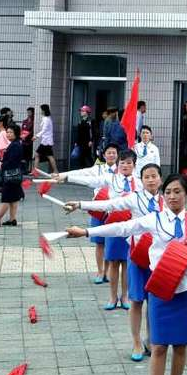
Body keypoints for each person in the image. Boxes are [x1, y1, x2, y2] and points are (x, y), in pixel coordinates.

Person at [66, 174, 187, 375]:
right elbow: (122, 227)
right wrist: (86, 232)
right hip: (160, 288)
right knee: (158, 347)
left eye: (177, 192)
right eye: (168, 192)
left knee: (181, 346)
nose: (172, 197)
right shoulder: (154, 219)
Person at [64, 163, 163, 362]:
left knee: (155, 301)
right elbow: (108, 205)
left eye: (154, 176)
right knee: (136, 300)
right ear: (141, 180)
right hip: (137, 255)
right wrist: (81, 204)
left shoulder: (166, 201)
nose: (151, 180)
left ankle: (151, 339)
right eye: (147, 177)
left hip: (158, 260)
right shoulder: (134, 198)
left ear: (160, 179)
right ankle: (136, 341)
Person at [60, 150, 143, 310]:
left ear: (134, 165)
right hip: (112, 225)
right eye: (123, 162)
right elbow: (90, 181)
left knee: (126, 263)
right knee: (113, 263)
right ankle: (112, 297)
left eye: (129, 163)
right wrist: (67, 177)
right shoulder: (110, 179)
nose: (125, 165)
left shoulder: (139, 183)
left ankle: (125, 296)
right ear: (118, 164)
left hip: (131, 227)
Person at [54, 143, 119, 284]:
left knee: (110, 242)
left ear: (117, 155)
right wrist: (63, 175)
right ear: (104, 155)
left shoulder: (121, 171)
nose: (112, 155)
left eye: (114, 153)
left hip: (113, 211)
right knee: (99, 242)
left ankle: (107, 272)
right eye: (109, 153)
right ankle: (100, 271)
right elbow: (80, 173)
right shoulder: (98, 169)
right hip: (97, 208)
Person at [0, 124, 23, 228]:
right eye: (7, 132)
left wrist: (2, 165)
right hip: (15, 175)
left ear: (16, 133)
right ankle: (12, 219)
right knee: (13, 198)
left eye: (11, 132)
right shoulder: (15, 144)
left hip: (11, 175)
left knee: (6, 198)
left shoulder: (15, 145)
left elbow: (12, 161)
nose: (8, 134)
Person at [33, 104, 58, 173]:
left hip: (46, 141)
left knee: (38, 155)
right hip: (46, 141)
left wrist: (36, 136)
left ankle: (35, 171)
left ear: (43, 110)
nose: (40, 111)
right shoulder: (47, 118)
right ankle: (55, 171)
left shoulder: (47, 119)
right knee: (49, 156)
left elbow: (44, 130)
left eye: (41, 110)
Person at [21, 107, 34, 173]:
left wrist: (27, 135)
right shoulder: (25, 121)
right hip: (24, 141)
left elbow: (32, 131)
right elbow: (22, 130)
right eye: (28, 112)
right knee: (24, 156)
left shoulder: (34, 121)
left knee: (29, 156)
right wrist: (22, 136)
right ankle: (25, 168)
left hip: (30, 141)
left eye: (30, 112)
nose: (28, 114)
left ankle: (30, 168)